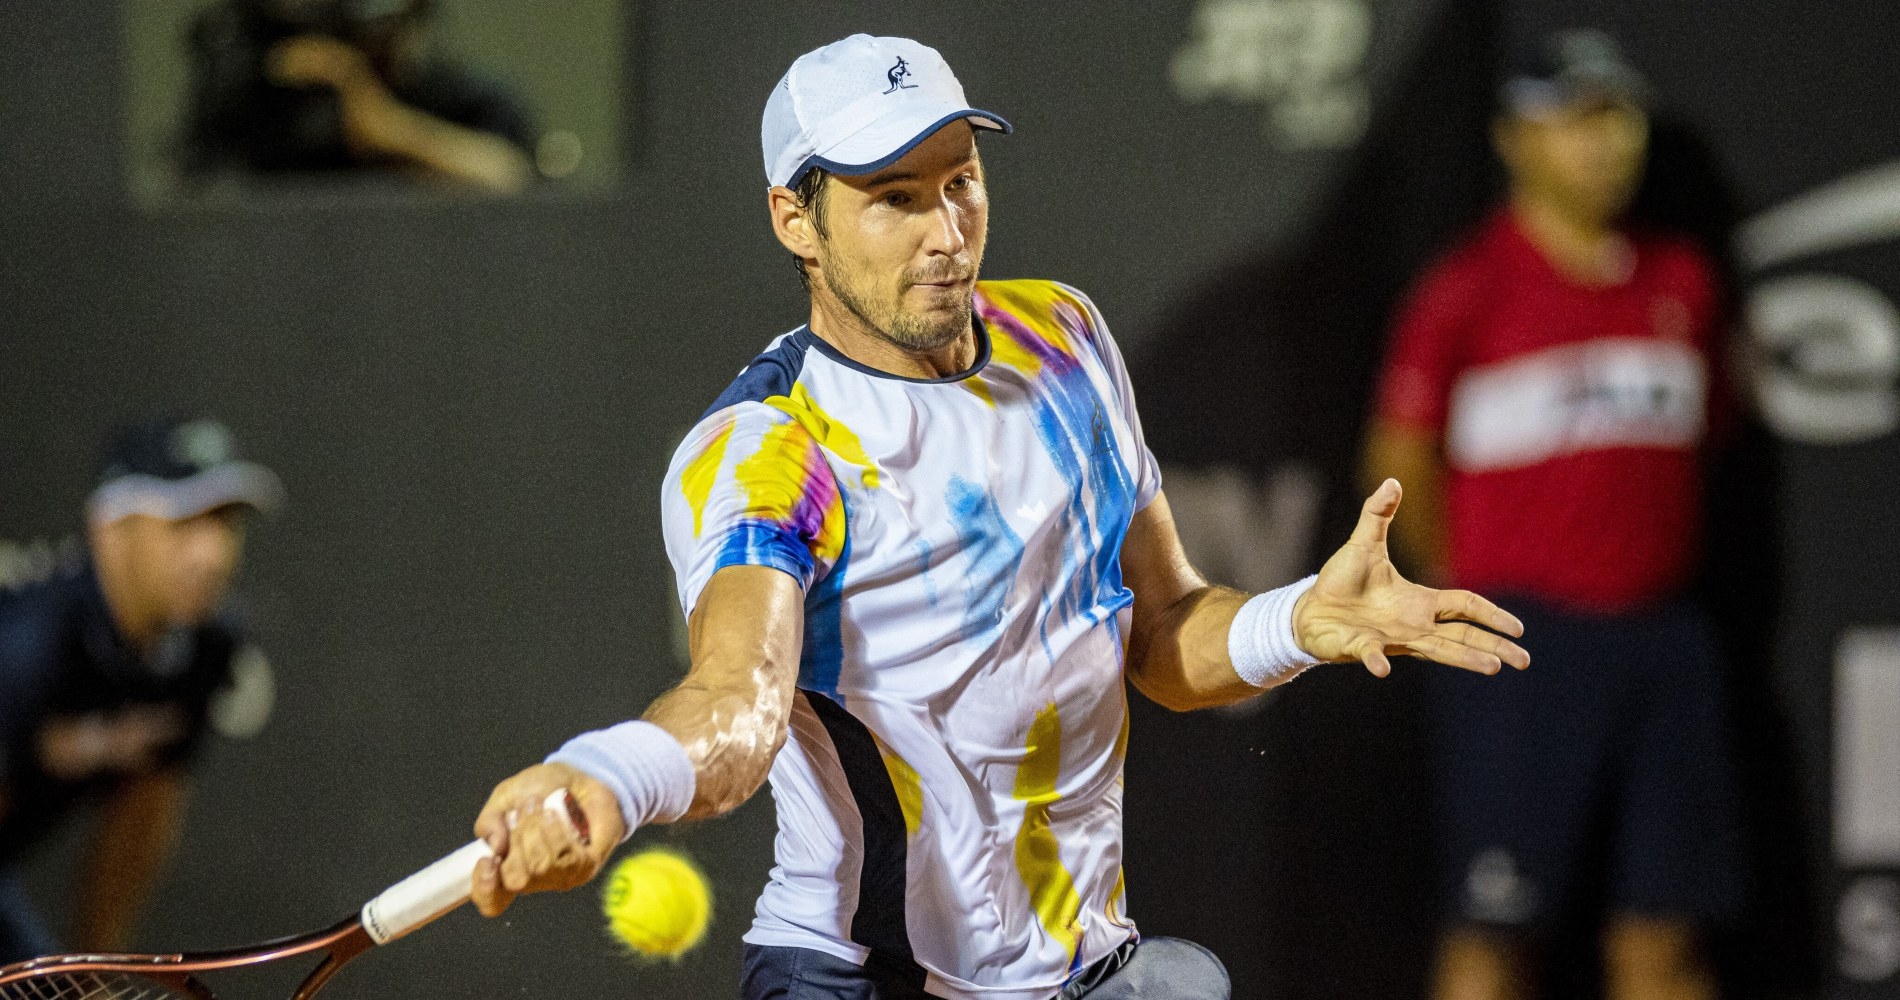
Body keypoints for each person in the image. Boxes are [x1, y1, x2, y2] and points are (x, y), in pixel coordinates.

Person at [466, 35, 1528, 1000]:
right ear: (796, 218)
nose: (945, 233)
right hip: (859, 975)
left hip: (1080, 970)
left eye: (959, 182)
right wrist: (605, 776)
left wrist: (1294, 622)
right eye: (893, 198)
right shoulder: (763, 450)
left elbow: (1160, 638)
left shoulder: (1063, 336)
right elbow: (737, 706)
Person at [1362, 30, 1744, 1000]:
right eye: (1575, 120)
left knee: (1664, 935)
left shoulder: (1684, 283)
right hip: (1521, 649)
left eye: (1616, 116)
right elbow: (1399, 461)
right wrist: (1472, 598)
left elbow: (1704, 445)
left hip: (1662, 643)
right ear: (1515, 138)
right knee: (1493, 929)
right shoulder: (1467, 290)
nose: (1605, 142)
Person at [0, 417, 283, 964]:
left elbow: (144, 809)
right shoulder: (25, 647)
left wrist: (97, 965)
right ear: (111, 529)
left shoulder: (205, 650)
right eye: (183, 522)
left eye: (223, 522)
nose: (211, 553)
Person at [184, 0, 538, 193]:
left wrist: (393, 132)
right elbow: (202, 189)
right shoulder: (285, 98)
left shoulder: (467, 98)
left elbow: (510, 177)